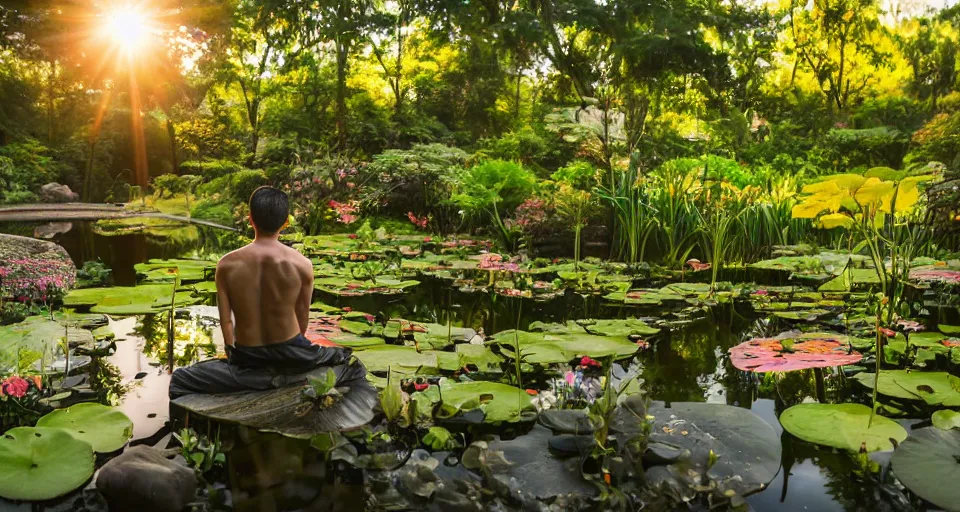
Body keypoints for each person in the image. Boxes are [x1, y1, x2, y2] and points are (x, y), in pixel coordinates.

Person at [169, 186, 352, 398]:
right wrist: (294, 354)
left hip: (248, 355)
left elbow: (226, 321)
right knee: (342, 356)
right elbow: (302, 318)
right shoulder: (302, 264)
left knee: (181, 378)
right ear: (285, 222)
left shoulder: (227, 264)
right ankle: (286, 375)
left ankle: (255, 378)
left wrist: (232, 356)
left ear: (250, 219)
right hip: (293, 352)